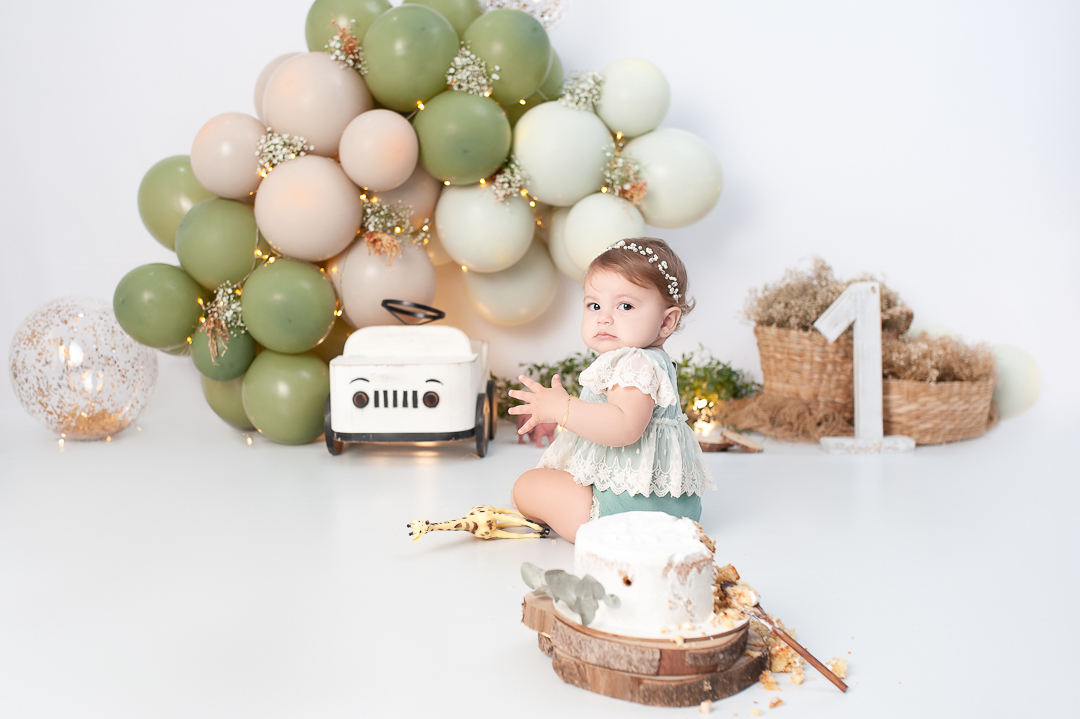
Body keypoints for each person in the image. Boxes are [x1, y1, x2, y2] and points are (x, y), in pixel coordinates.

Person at [509, 237, 714, 542]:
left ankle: (597, 529)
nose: (603, 317)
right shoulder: (649, 360)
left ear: (666, 322)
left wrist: (562, 408)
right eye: (594, 305)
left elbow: (624, 427)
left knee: (527, 487)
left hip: (629, 508)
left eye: (625, 306)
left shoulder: (634, 362)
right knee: (547, 484)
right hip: (667, 506)